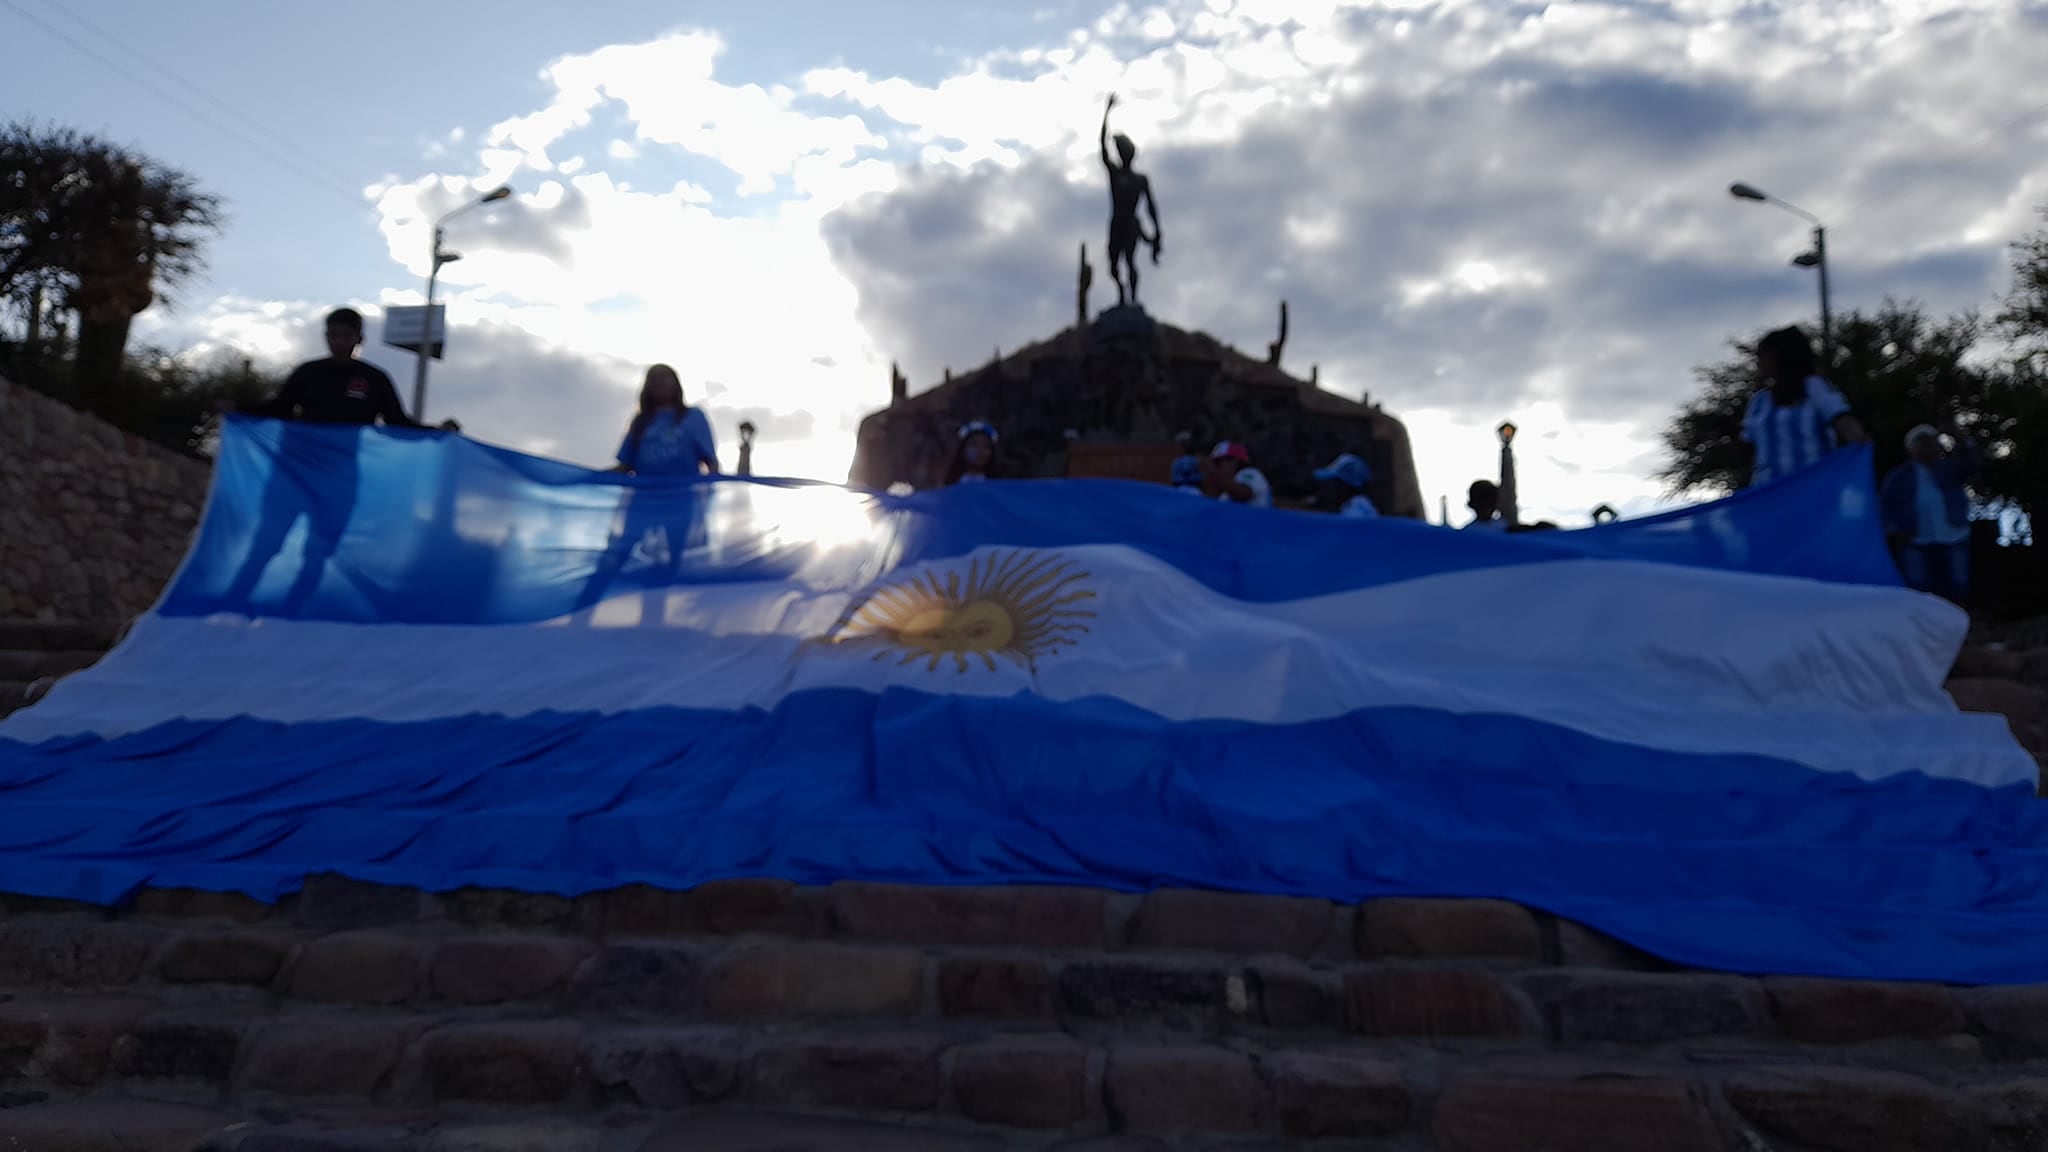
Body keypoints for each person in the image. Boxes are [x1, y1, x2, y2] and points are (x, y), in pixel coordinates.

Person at [219, 307, 454, 613]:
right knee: (267, 542)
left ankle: (292, 611)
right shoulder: (308, 373)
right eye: (333, 335)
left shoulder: (373, 380)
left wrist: (436, 432)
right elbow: (279, 408)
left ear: (359, 338)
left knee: (319, 549)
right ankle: (230, 605)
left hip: (339, 480)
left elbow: (397, 422)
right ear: (326, 336)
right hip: (293, 475)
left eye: (346, 335)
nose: (339, 341)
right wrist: (238, 409)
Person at [1742, 325, 1867, 487]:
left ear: (1780, 357)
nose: (1759, 362)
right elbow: (1748, 450)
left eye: (1764, 355)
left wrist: (1860, 442)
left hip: (1814, 489)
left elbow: (1842, 419)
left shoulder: (1814, 387)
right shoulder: (1759, 401)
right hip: (1768, 494)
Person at [1881, 423, 1980, 605]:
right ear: (1911, 448)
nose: (1928, 447)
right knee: (1919, 588)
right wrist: (1896, 530)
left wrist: (1961, 440)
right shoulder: (1898, 477)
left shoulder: (1949, 469)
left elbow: (1972, 465)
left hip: (1952, 534)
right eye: (1922, 443)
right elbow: (1887, 506)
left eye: (1931, 442)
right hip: (1916, 539)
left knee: (1957, 585)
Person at [1098, 93, 1163, 307]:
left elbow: (1151, 207)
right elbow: (1102, 147)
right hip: (1119, 223)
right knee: (1115, 266)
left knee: (1129, 262)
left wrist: (1157, 230)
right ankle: (1123, 295)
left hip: (1128, 224)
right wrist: (1106, 113)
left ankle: (1131, 300)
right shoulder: (1116, 173)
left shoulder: (1138, 179)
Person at [612, 364, 718, 477]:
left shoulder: (694, 416)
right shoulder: (640, 422)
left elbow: (711, 462)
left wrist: (710, 490)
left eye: (664, 377)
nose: (660, 382)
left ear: (676, 383)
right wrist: (593, 476)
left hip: (685, 492)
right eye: (654, 379)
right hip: (644, 493)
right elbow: (624, 466)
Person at [1203, 441, 1271, 508]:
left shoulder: (1252, 473)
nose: (1218, 466)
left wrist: (1212, 470)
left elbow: (1243, 494)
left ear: (1237, 462)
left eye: (1219, 462)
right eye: (1216, 463)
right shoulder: (1225, 491)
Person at [1313, 453, 1378, 518]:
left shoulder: (1356, 512)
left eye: (1334, 482)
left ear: (1345, 485)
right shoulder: (1353, 505)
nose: (1328, 488)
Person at [945, 421, 999, 485]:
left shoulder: (998, 482)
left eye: (986, 446)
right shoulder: (952, 482)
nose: (980, 450)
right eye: (974, 445)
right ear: (963, 449)